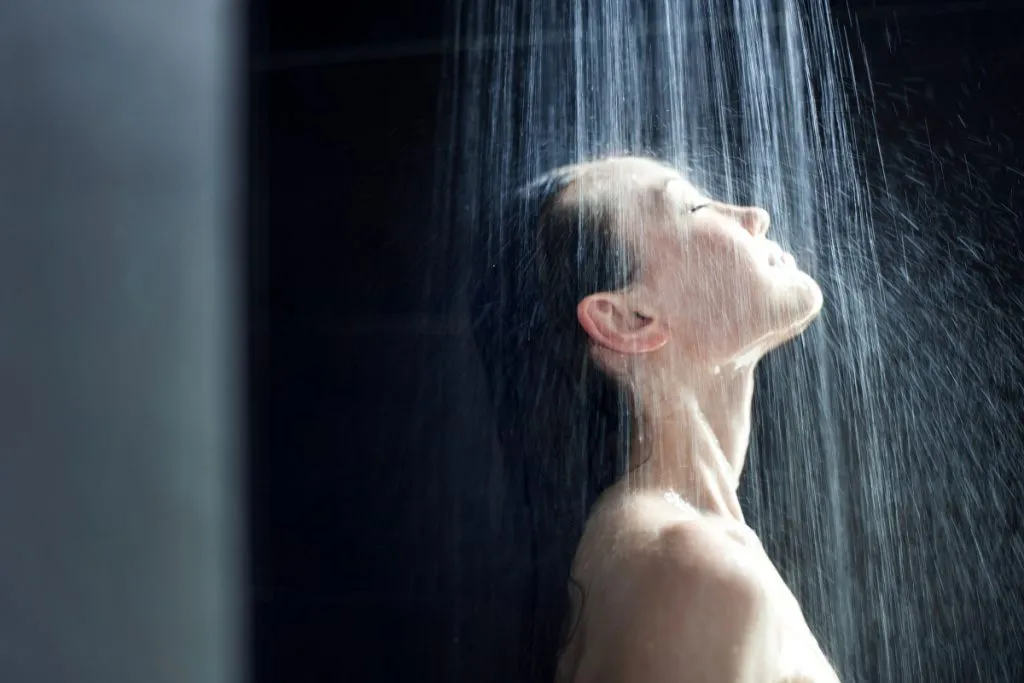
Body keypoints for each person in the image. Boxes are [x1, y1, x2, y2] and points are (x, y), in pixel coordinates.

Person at [471, 155, 838, 683]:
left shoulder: (663, 550)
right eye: (695, 206)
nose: (754, 215)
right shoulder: (691, 570)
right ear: (627, 319)